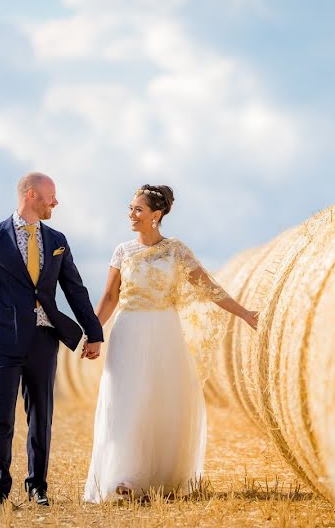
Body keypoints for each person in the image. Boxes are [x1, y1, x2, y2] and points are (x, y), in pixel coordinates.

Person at [83, 184, 258, 502]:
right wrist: (93, 333)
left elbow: (209, 287)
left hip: (164, 332)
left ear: (156, 215)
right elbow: (109, 297)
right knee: (124, 401)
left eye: (138, 209)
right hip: (127, 331)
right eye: (130, 208)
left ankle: (161, 477)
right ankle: (124, 477)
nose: (131, 215)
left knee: (158, 402)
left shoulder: (176, 250)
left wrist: (244, 313)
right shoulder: (122, 251)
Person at [0, 172, 104, 513]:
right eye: (51, 196)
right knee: (0, 418)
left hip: (45, 340)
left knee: (41, 416)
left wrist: (94, 332)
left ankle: (38, 487)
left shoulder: (57, 239)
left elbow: (74, 289)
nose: (56, 202)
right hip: (4, 340)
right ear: (31, 195)